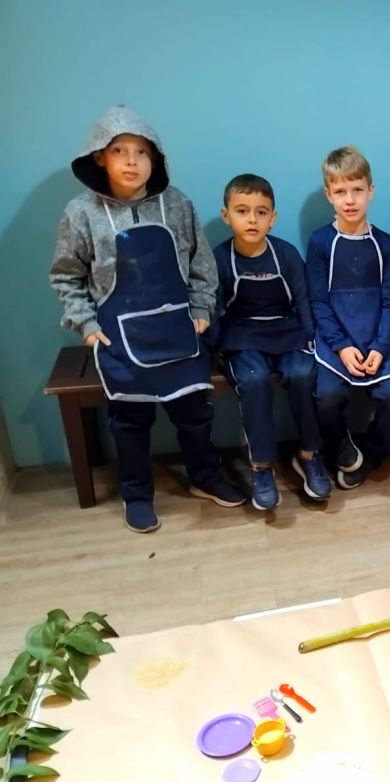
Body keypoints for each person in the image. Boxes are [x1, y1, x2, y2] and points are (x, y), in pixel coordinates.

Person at [48, 106, 245, 532]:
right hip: (118, 337)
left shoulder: (177, 205)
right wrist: (86, 325)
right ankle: (136, 493)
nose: (131, 161)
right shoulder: (81, 213)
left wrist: (200, 310)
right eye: (119, 150)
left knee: (195, 414)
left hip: (179, 331)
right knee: (130, 422)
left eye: (141, 151)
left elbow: (201, 264)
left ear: (155, 158)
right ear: (100, 157)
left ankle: (205, 478)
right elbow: (66, 275)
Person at [213, 174, 331, 509]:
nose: (252, 219)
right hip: (241, 335)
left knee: (304, 374)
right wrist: (215, 348)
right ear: (226, 215)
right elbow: (213, 307)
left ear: (273, 218)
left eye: (261, 212)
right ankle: (261, 466)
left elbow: (303, 302)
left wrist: (310, 339)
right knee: (255, 380)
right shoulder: (219, 258)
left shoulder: (286, 254)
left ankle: (308, 455)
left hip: (286, 331)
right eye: (242, 211)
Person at [305, 146, 390, 489]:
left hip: (380, 335)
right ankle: (342, 447)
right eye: (341, 191)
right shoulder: (320, 242)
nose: (350, 200)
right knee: (327, 396)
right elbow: (318, 301)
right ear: (328, 194)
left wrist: (380, 346)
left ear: (370, 191)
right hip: (336, 337)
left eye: (357, 189)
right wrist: (342, 346)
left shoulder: (386, 244)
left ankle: (371, 455)